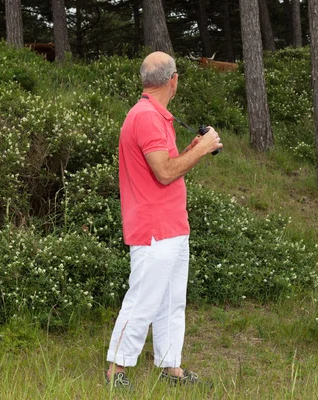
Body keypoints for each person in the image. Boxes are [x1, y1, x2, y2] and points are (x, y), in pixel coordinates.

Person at [105, 51, 223, 388]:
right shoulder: (146, 118)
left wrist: (190, 150)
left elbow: (166, 168)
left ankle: (170, 367)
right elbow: (164, 172)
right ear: (173, 80)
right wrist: (202, 151)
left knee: (172, 301)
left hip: (171, 226)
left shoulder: (155, 116)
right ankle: (116, 369)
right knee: (143, 298)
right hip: (154, 229)